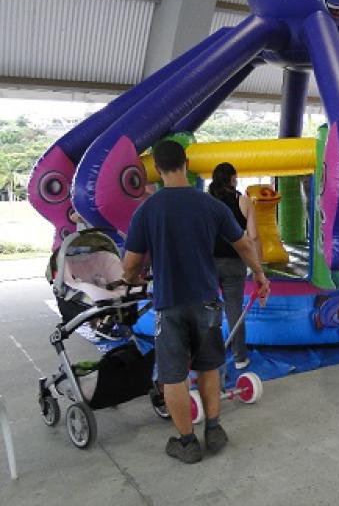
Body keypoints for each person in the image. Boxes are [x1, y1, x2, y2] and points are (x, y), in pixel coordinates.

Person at [122, 141, 268, 464]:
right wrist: (259, 274)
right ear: (186, 163)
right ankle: (213, 429)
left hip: (169, 303)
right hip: (206, 301)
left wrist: (133, 278)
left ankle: (187, 443)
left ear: (157, 169)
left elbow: (130, 264)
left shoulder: (147, 210)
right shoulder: (210, 205)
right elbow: (244, 244)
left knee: (173, 375)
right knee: (209, 364)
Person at [208, 162, 263, 370]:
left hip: (208, 262)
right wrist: (258, 268)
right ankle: (240, 358)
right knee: (234, 311)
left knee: (209, 309)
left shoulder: (206, 201)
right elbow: (254, 237)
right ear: (233, 179)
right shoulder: (244, 201)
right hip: (234, 262)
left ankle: (210, 359)